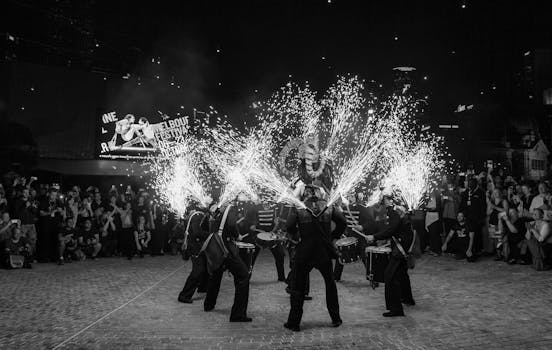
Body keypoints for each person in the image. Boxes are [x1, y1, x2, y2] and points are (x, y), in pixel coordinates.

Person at [284, 185, 346, 332]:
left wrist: (298, 236)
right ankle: (336, 318)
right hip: (323, 251)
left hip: (304, 251)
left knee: (298, 287)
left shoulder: (299, 207)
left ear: (305, 193)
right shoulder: (328, 206)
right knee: (330, 284)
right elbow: (342, 223)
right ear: (318, 193)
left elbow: (289, 226)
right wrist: (332, 237)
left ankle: (294, 323)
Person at [367, 197, 415, 317]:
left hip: (400, 246)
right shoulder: (398, 208)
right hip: (402, 243)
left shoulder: (394, 211)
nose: (382, 200)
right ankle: (407, 298)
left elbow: (392, 229)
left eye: (384, 198)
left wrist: (375, 237)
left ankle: (396, 309)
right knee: (402, 272)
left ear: (390, 199)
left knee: (390, 275)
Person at [203, 204, 252, 322]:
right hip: (226, 249)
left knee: (216, 275)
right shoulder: (231, 209)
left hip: (218, 249)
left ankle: (208, 304)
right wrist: (237, 235)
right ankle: (238, 314)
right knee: (243, 275)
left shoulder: (221, 210)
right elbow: (231, 224)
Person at [333, 192, 372, 282]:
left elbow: (371, 221)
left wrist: (362, 227)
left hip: (360, 236)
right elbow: (342, 221)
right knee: (341, 255)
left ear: (356, 198)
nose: (349, 198)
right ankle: (336, 277)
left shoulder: (363, 209)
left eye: (351, 196)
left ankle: (371, 277)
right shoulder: (345, 208)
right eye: (349, 196)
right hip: (349, 235)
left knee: (364, 256)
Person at [178, 208, 210, 303]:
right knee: (198, 270)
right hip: (196, 248)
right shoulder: (198, 215)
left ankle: (202, 287)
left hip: (197, 247)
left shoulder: (197, 215)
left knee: (203, 267)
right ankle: (184, 295)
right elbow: (197, 232)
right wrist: (210, 235)